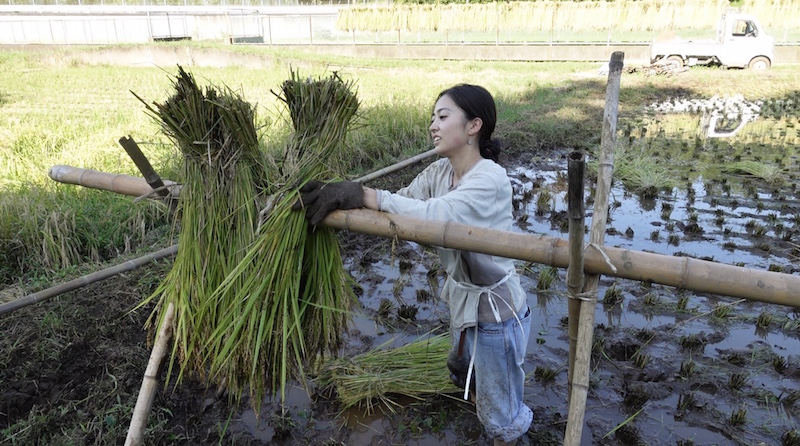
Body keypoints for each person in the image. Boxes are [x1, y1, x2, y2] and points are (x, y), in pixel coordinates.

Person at [294, 84, 533, 446]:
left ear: (473, 126)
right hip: (463, 304)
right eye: (432, 118)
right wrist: (348, 196)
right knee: (464, 373)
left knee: (502, 418)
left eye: (442, 116)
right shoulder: (440, 172)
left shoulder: (490, 179)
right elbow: (404, 201)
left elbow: (436, 216)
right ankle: (480, 413)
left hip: (495, 314)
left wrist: (368, 194)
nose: (433, 126)